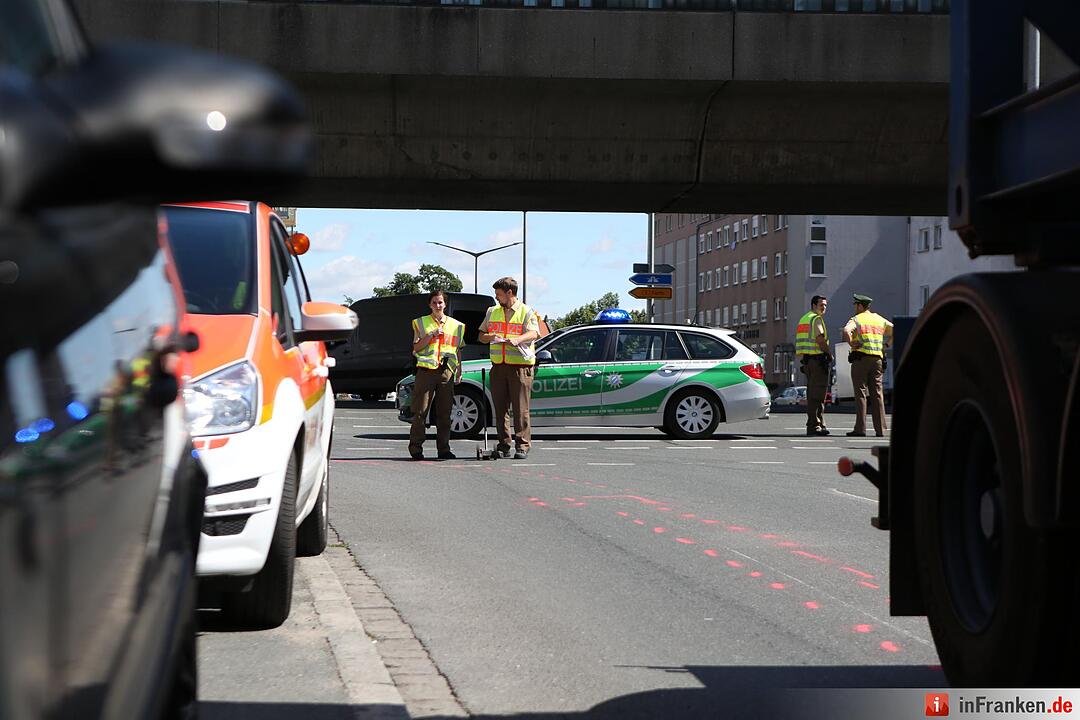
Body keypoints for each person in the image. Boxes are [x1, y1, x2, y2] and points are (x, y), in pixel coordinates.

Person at [478, 277, 540, 459]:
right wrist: (490, 337)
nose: (496, 297)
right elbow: (481, 335)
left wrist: (518, 339)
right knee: (500, 408)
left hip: (520, 367)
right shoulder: (492, 312)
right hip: (498, 366)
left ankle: (522, 445)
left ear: (509, 293)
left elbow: (535, 333)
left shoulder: (526, 311)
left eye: (499, 294)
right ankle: (504, 444)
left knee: (521, 409)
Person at [408, 289, 465, 460]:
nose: (438, 305)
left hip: (446, 371)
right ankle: (416, 448)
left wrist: (459, 370)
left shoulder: (456, 325)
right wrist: (430, 335)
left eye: (440, 302)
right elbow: (416, 348)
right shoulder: (420, 323)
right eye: (434, 302)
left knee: (445, 413)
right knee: (420, 412)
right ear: (429, 305)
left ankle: (444, 449)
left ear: (445, 304)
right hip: (426, 371)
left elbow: (457, 350)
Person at [841, 293, 894, 437]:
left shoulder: (856, 319)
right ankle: (881, 429)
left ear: (859, 306)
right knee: (877, 394)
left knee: (861, 394)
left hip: (861, 360)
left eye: (855, 305)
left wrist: (851, 342)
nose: (854, 308)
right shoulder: (879, 319)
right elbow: (894, 329)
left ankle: (860, 429)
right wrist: (886, 345)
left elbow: (846, 331)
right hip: (877, 360)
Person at [795, 295, 832, 436]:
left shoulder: (804, 318)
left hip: (808, 360)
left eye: (826, 305)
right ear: (814, 305)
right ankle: (814, 425)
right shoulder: (816, 319)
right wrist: (829, 354)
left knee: (812, 393)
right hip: (818, 361)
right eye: (821, 305)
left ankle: (818, 423)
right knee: (818, 394)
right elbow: (820, 339)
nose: (824, 307)